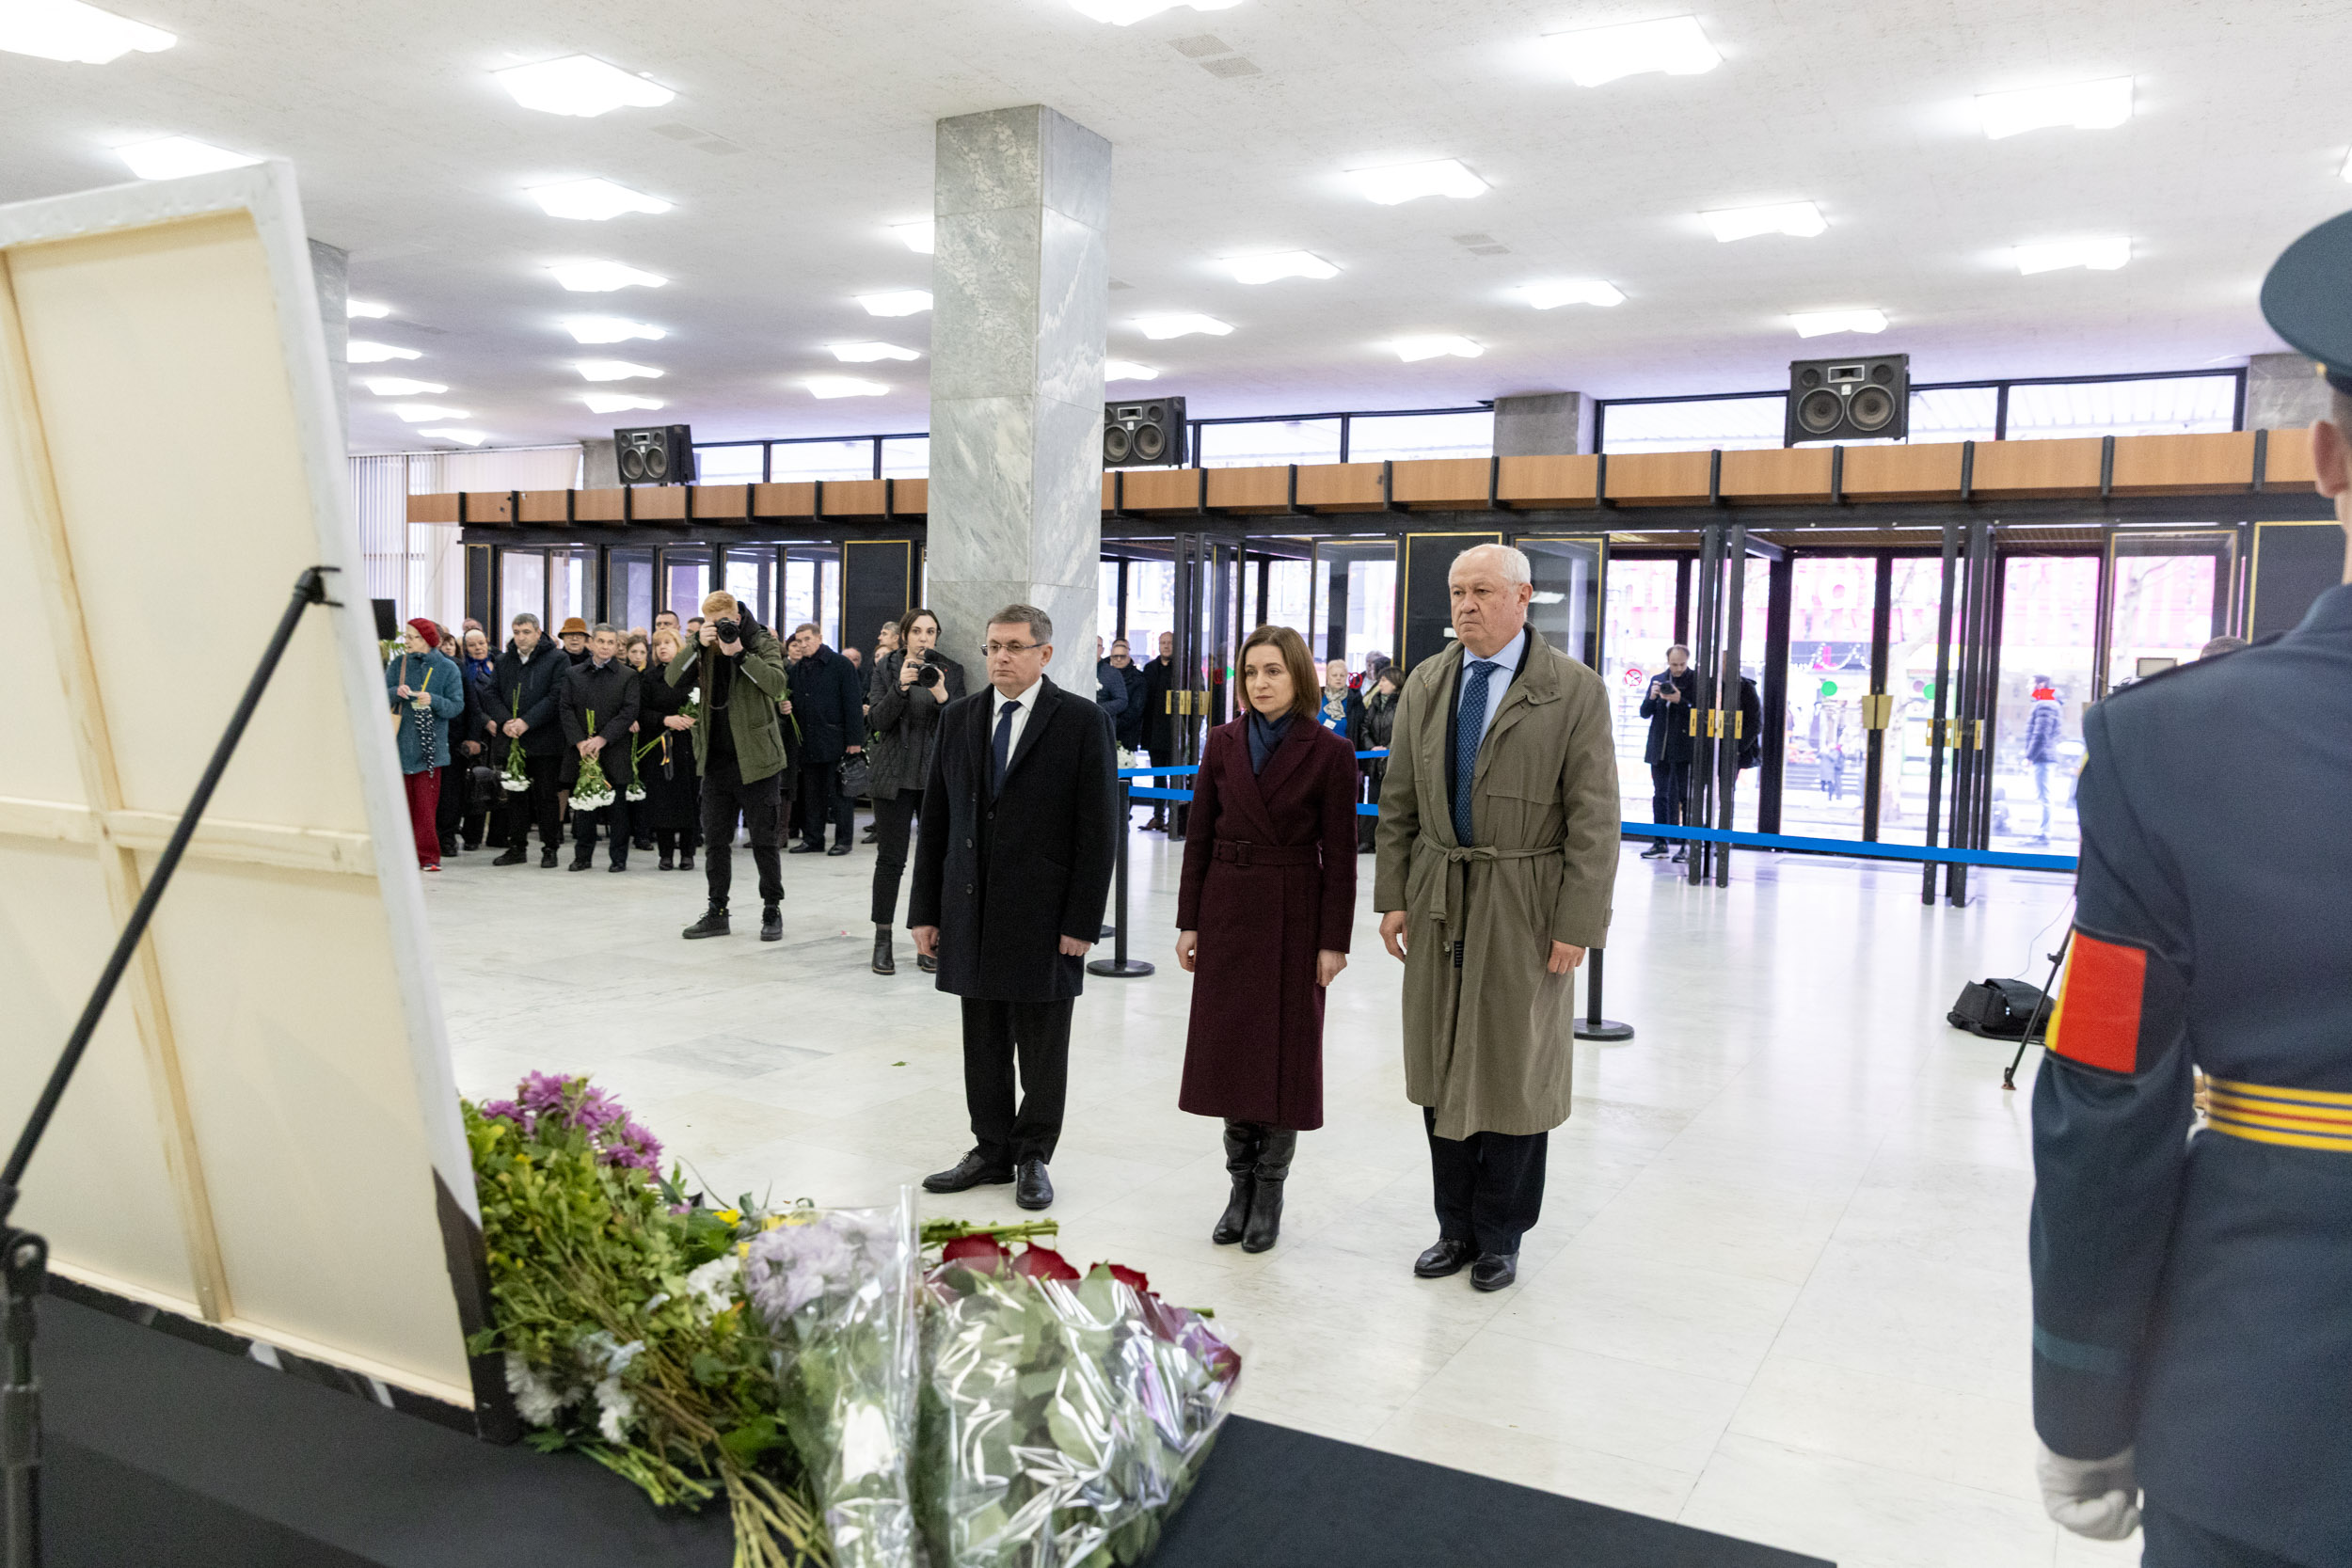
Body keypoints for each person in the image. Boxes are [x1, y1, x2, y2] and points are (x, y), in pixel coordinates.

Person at [2027, 211, 2352, 1568]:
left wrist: (2082, 1397)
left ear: (2326, 455)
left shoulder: (2172, 747)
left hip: (2267, 1410)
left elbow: (2107, 1099)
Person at [1374, 544, 1619, 1293]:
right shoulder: (1428, 680)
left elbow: (1595, 818)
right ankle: (1453, 1225)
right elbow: (1398, 800)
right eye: (1458, 592)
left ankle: (1502, 1233)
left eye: (1482, 590)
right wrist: (1393, 894)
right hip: (1439, 892)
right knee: (1440, 1058)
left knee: (1515, 1065)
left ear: (1523, 597)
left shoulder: (1572, 689)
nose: (1466, 605)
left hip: (1525, 899)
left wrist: (1577, 922)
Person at [911, 604, 1118, 1212]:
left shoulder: (1082, 721)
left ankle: (1033, 1154)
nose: (1000, 657)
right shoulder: (960, 717)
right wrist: (925, 911)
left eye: (1014, 647)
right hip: (970, 909)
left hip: (1045, 915)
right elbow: (937, 820)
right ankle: (991, 1149)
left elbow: (1098, 831)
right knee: (983, 1039)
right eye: (993, 646)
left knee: (1043, 1043)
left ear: (1044, 654)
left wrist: (1082, 920)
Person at [1174, 625, 1359, 1252]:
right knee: (1231, 1050)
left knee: (1284, 1053)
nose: (1260, 682)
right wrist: (1190, 921)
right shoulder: (1222, 742)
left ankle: (1269, 1189)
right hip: (1227, 906)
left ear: (1298, 676)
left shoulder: (1331, 751)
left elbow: (1342, 856)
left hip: (1293, 911)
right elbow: (1198, 835)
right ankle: (1238, 1187)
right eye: (1250, 671)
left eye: (1273, 671)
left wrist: (1333, 941)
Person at [668, 592, 792, 941]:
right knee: (715, 843)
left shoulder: (760, 640)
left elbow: (777, 685)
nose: (721, 626)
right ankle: (717, 911)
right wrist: (696, 643)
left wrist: (739, 652)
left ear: (737, 617)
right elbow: (672, 679)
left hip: (758, 760)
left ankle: (772, 909)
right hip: (715, 761)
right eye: (712, 622)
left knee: (764, 841)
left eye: (725, 620)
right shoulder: (702, 644)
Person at [866, 607, 967, 976]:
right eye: (918, 631)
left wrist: (942, 695)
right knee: (890, 861)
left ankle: (930, 941)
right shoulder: (887, 667)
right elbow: (877, 721)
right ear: (905, 635)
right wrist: (901, 687)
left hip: (935, 779)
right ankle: (882, 940)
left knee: (935, 861)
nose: (924, 638)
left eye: (931, 632)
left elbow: (962, 725)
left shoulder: (950, 670)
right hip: (892, 776)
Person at [489, 612, 571, 867]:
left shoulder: (557, 658)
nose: (521, 637)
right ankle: (517, 847)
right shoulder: (503, 661)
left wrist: (527, 721)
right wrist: (506, 721)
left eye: (526, 632)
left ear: (538, 632)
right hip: (513, 739)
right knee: (515, 796)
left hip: (545, 740)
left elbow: (556, 696)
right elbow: (491, 694)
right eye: (517, 632)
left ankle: (550, 848)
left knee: (546, 797)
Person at [557, 622, 638, 873]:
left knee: (618, 809)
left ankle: (618, 858)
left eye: (610, 642)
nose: (605, 646)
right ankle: (582, 856)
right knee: (584, 807)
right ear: (591, 643)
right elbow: (565, 708)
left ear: (616, 646)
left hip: (613, 749)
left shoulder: (627, 676)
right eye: (600, 641)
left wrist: (603, 739)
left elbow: (628, 712)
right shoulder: (574, 674)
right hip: (583, 750)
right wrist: (580, 741)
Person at [386, 617, 464, 873]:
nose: (407, 641)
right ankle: (400, 856)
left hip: (431, 751)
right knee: (400, 807)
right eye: (406, 636)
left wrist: (433, 700)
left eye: (413, 637)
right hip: (398, 747)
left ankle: (428, 856)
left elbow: (456, 706)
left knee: (426, 808)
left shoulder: (448, 668)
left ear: (427, 640)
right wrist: (395, 692)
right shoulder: (398, 663)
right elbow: (379, 694)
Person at [785, 622, 865, 857]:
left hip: (836, 740)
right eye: (799, 641)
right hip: (809, 742)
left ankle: (844, 840)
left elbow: (853, 703)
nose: (803, 645)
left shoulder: (840, 665)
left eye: (807, 639)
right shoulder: (796, 671)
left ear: (819, 638)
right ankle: (813, 839)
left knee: (840, 793)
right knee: (812, 795)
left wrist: (855, 740)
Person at [633, 627, 702, 871]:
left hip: (688, 745)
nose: (662, 647)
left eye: (667, 643)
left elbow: (705, 705)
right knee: (663, 801)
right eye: (658, 644)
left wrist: (695, 718)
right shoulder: (650, 678)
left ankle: (687, 852)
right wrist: (665, 720)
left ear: (679, 647)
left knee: (689, 799)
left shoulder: (693, 674)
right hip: (660, 745)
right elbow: (642, 711)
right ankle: (665, 853)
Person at [1639, 645, 1697, 861]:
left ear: (1688, 661)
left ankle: (1687, 845)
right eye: (1674, 664)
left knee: (1686, 797)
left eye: (1682, 664)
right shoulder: (1659, 680)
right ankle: (1660, 842)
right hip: (1659, 749)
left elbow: (1700, 714)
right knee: (1660, 796)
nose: (1678, 668)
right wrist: (1652, 697)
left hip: (1684, 749)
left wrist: (1681, 701)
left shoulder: (1696, 681)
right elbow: (1644, 713)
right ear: (1668, 662)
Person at [457, 626, 501, 850]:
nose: (478, 648)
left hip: (502, 730)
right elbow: (469, 703)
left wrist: (501, 721)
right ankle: (472, 837)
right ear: (466, 648)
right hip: (478, 732)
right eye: (472, 645)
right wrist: (486, 721)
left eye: (481, 643)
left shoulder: (498, 665)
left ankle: (498, 836)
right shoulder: (464, 670)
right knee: (478, 782)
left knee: (501, 781)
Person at [1359, 663, 1403, 854]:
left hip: (1394, 763)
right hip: (1375, 762)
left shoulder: (1403, 703)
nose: (1380, 684)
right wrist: (1372, 748)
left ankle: (1389, 842)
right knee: (1372, 800)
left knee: (1393, 804)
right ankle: (1367, 840)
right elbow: (1364, 728)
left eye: (1384, 680)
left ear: (1395, 682)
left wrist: (1389, 749)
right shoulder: (1374, 704)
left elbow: (1403, 730)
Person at [1140, 630, 1180, 831]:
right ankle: (1158, 816)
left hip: (1175, 733)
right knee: (1158, 776)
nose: (1166, 646)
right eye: (1163, 642)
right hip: (1154, 732)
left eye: (1169, 642)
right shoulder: (1149, 669)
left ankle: (1175, 818)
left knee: (1176, 777)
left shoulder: (1183, 669)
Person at [2024, 674, 2062, 843]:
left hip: (2042, 757)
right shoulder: (2047, 703)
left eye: (2030, 683)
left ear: (2041, 684)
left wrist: (2030, 756)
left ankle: (2043, 833)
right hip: (2044, 756)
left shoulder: (2045, 704)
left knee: (2044, 796)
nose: (2028, 687)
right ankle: (2042, 832)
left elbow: (2041, 734)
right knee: (2043, 795)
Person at [1104, 638, 1146, 758]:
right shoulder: (1101, 673)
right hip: (1103, 730)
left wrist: (1113, 724)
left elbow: (1135, 710)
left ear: (1128, 657)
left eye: (1122, 656)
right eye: (1115, 656)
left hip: (1127, 735)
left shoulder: (1138, 679)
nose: (1118, 659)